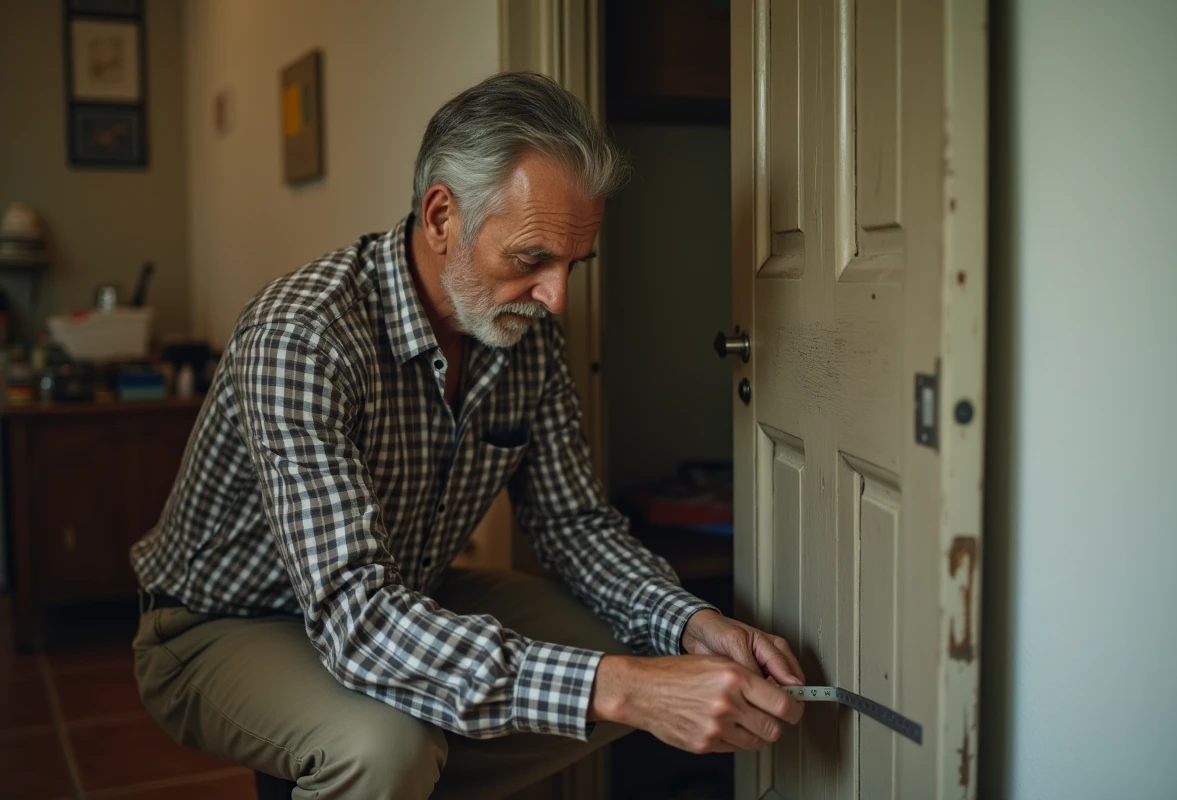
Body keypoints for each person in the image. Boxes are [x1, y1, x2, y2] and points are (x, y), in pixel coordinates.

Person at [130, 72, 804, 799]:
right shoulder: (303, 336)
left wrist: (687, 622)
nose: (557, 298)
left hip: (408, 588)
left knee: (640, 650)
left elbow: (572, 524)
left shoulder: (527, 335)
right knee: (386, 749)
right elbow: (354, 617)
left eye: (574, 264)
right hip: (225, 621)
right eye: (531, 259)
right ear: (442, 215)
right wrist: (622, 690)